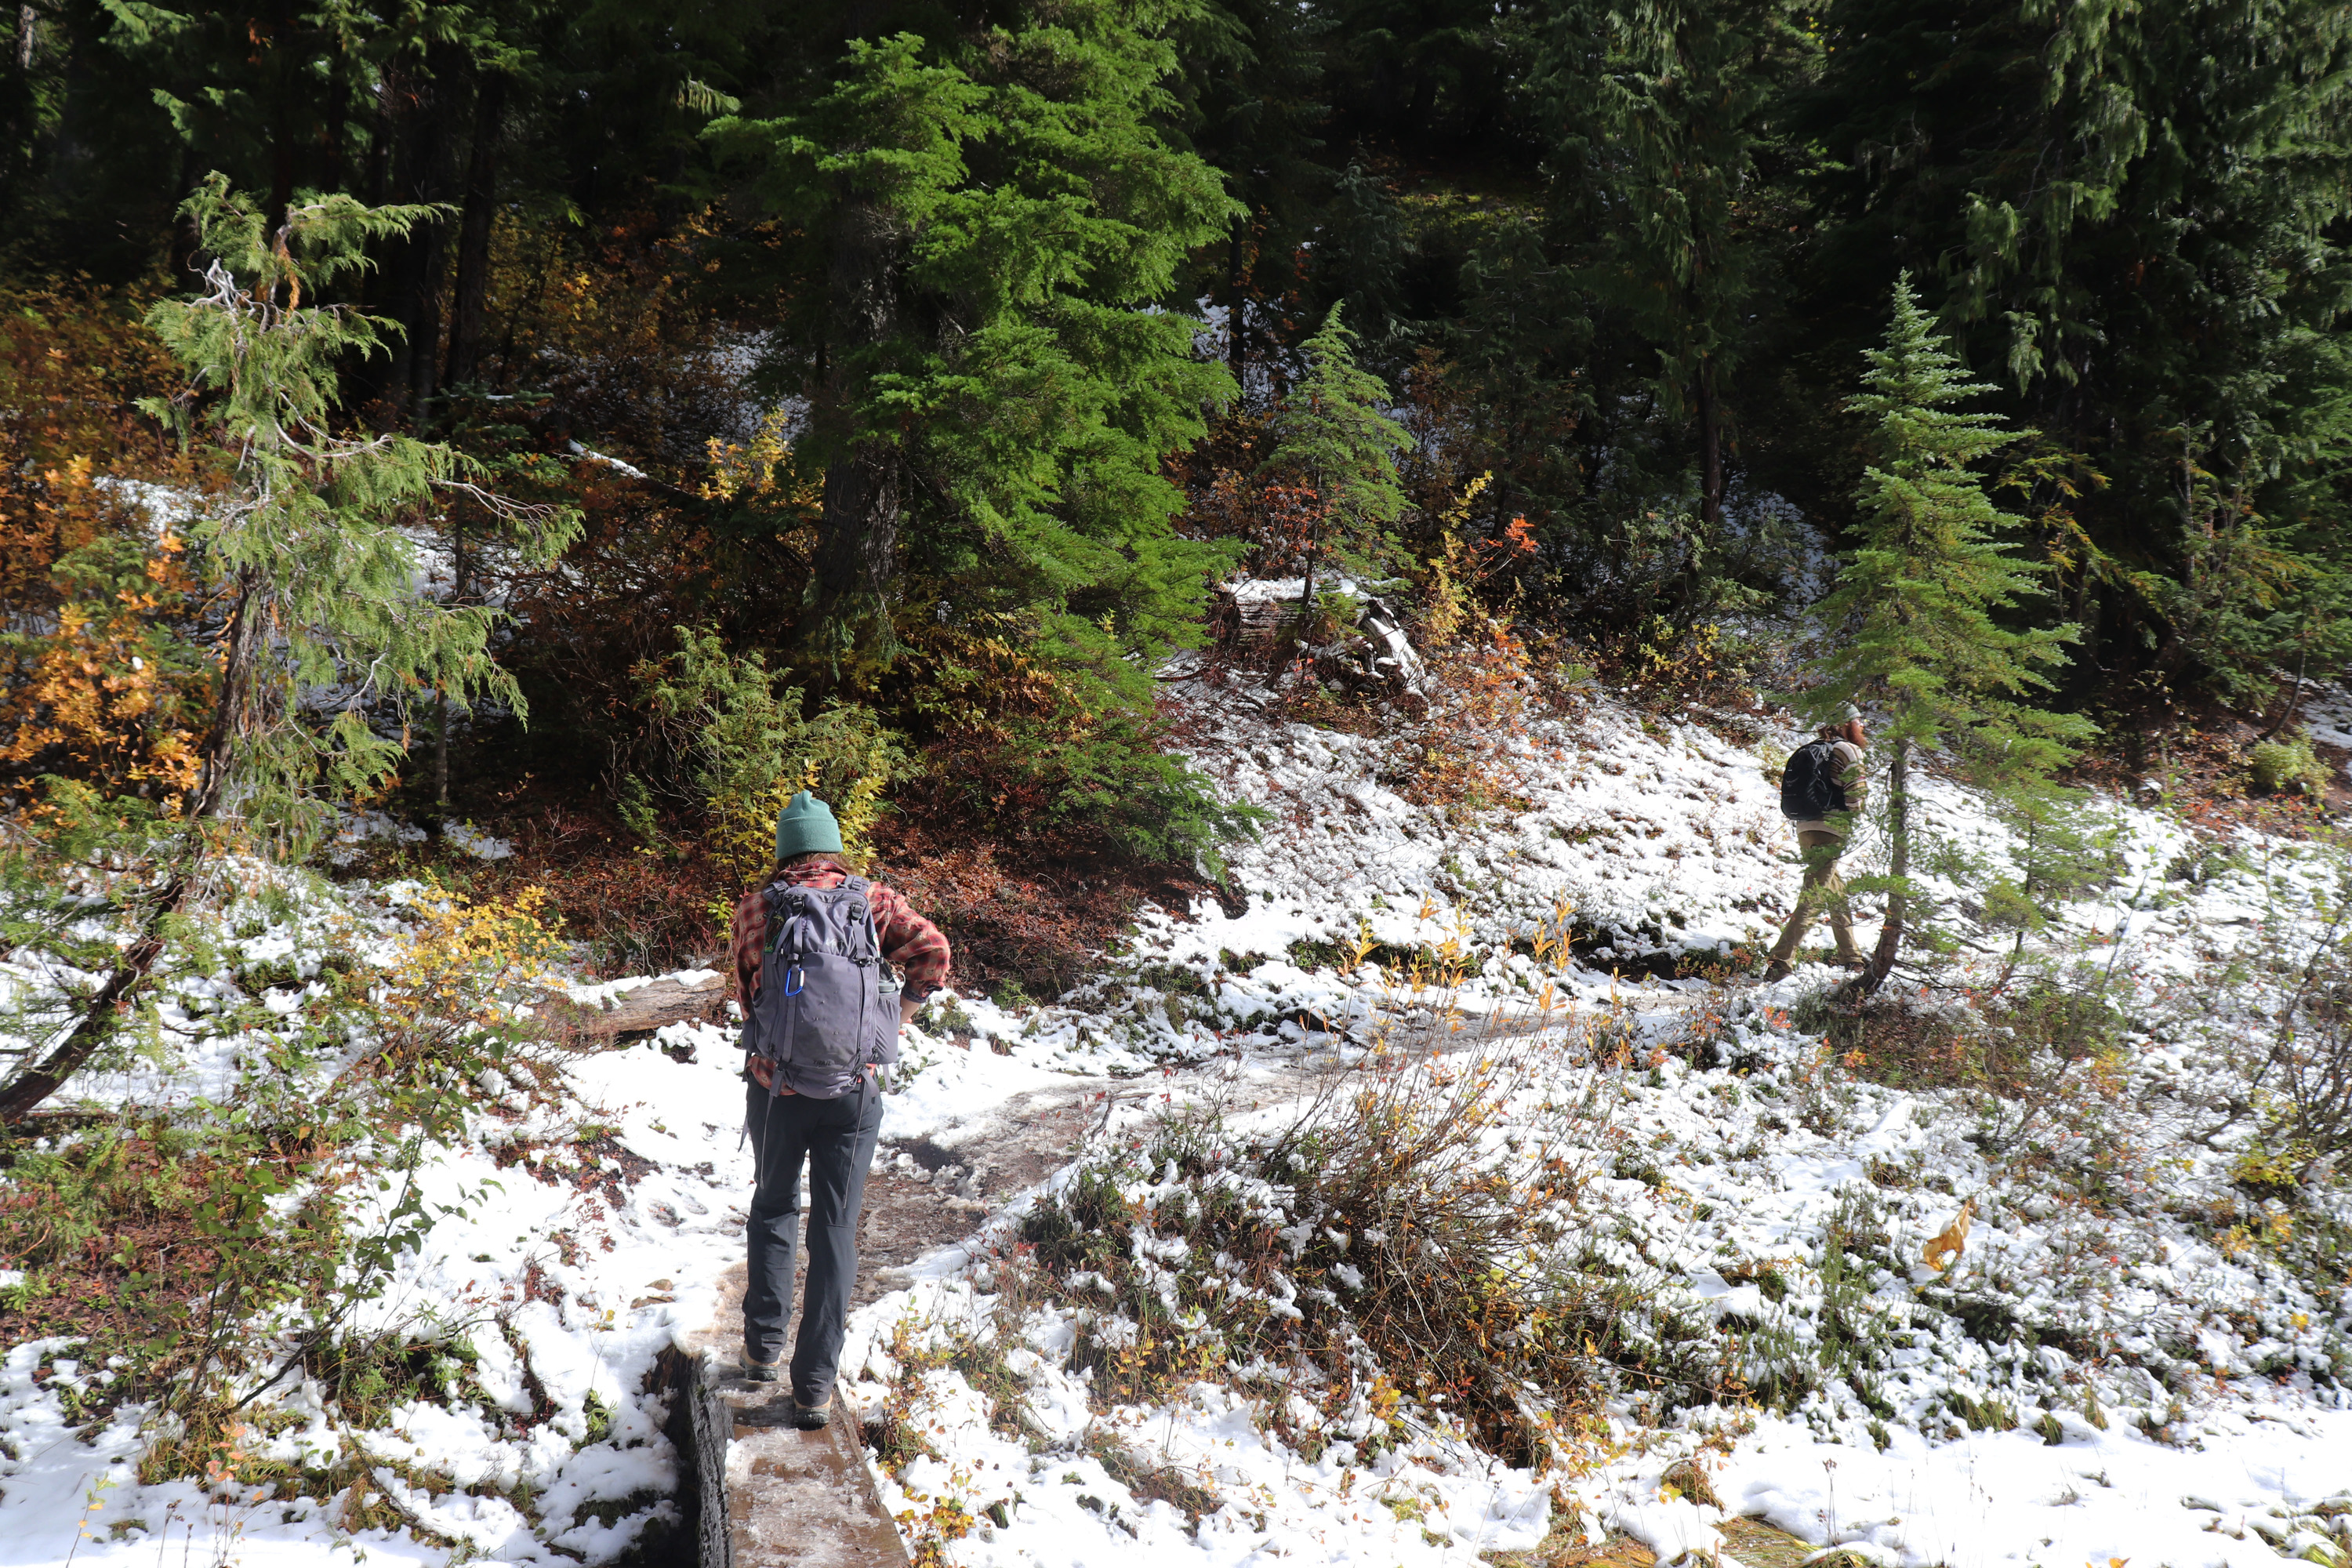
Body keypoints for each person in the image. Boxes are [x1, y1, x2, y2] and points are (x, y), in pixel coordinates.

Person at [728, 789, 950, 1427]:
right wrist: (898, 1018)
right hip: (854, 1093)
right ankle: (813, 1389)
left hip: (777, 1090)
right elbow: (933, 953)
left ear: (784, 850)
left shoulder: (757, 908)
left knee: (773, 1207)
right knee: (834, 1230)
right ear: (831, 845)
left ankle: (762, 1350)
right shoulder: (874, 902)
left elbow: (746, 995)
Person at [1763, 707, 1868, 982]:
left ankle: (1852, 958)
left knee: (1835, 892)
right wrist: (1854, 817)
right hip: (1831, 830)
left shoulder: (1813, 749)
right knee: (1813, 897)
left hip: (1805, 827)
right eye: (1858, 721)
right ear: (1846, 724)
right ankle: (1780, 961)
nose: (1862, 726)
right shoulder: (1848, 750)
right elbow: (1856, 793)